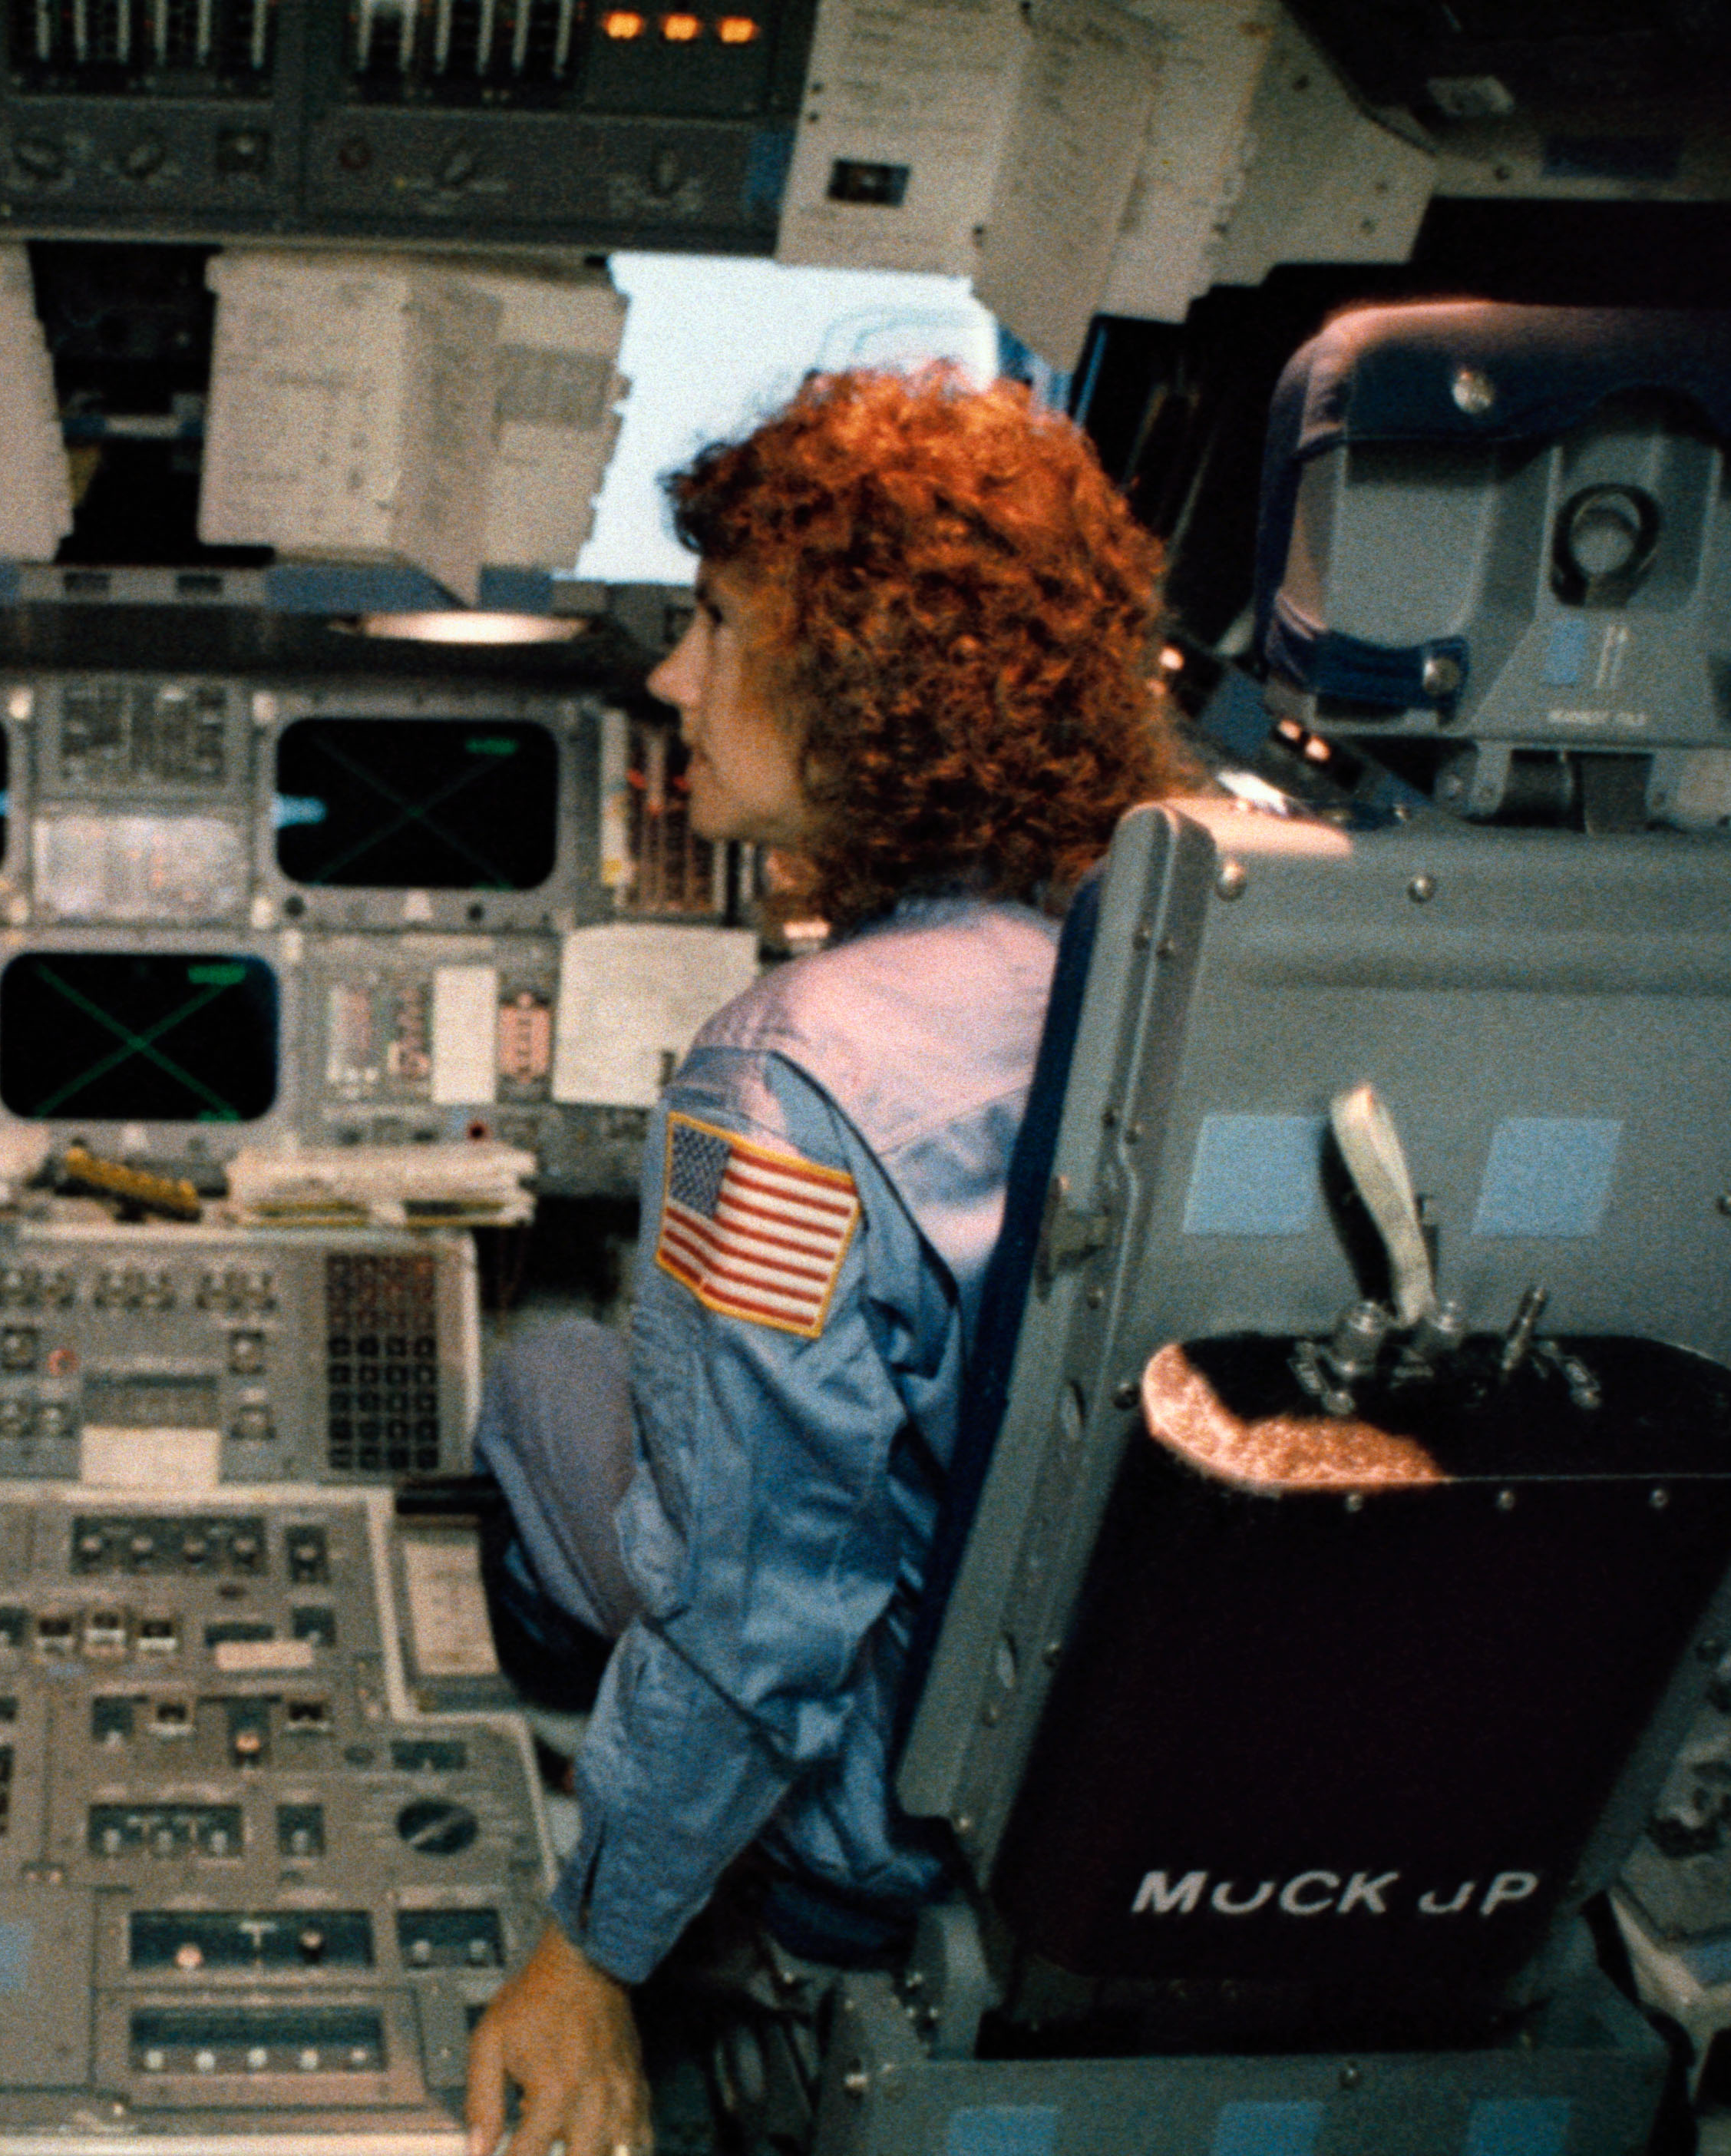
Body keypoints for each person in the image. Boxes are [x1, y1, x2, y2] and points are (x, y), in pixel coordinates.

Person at [462, 367, 1188, 2156]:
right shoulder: (1146, 971)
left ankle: (661, 1845)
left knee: (544, 1368)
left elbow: (754, 1604)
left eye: (715, 626)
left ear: (866, 676)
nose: (668, 680)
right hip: (1129, 1763)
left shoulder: (787, 1074)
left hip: (885, 1823)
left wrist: (586, 1958)